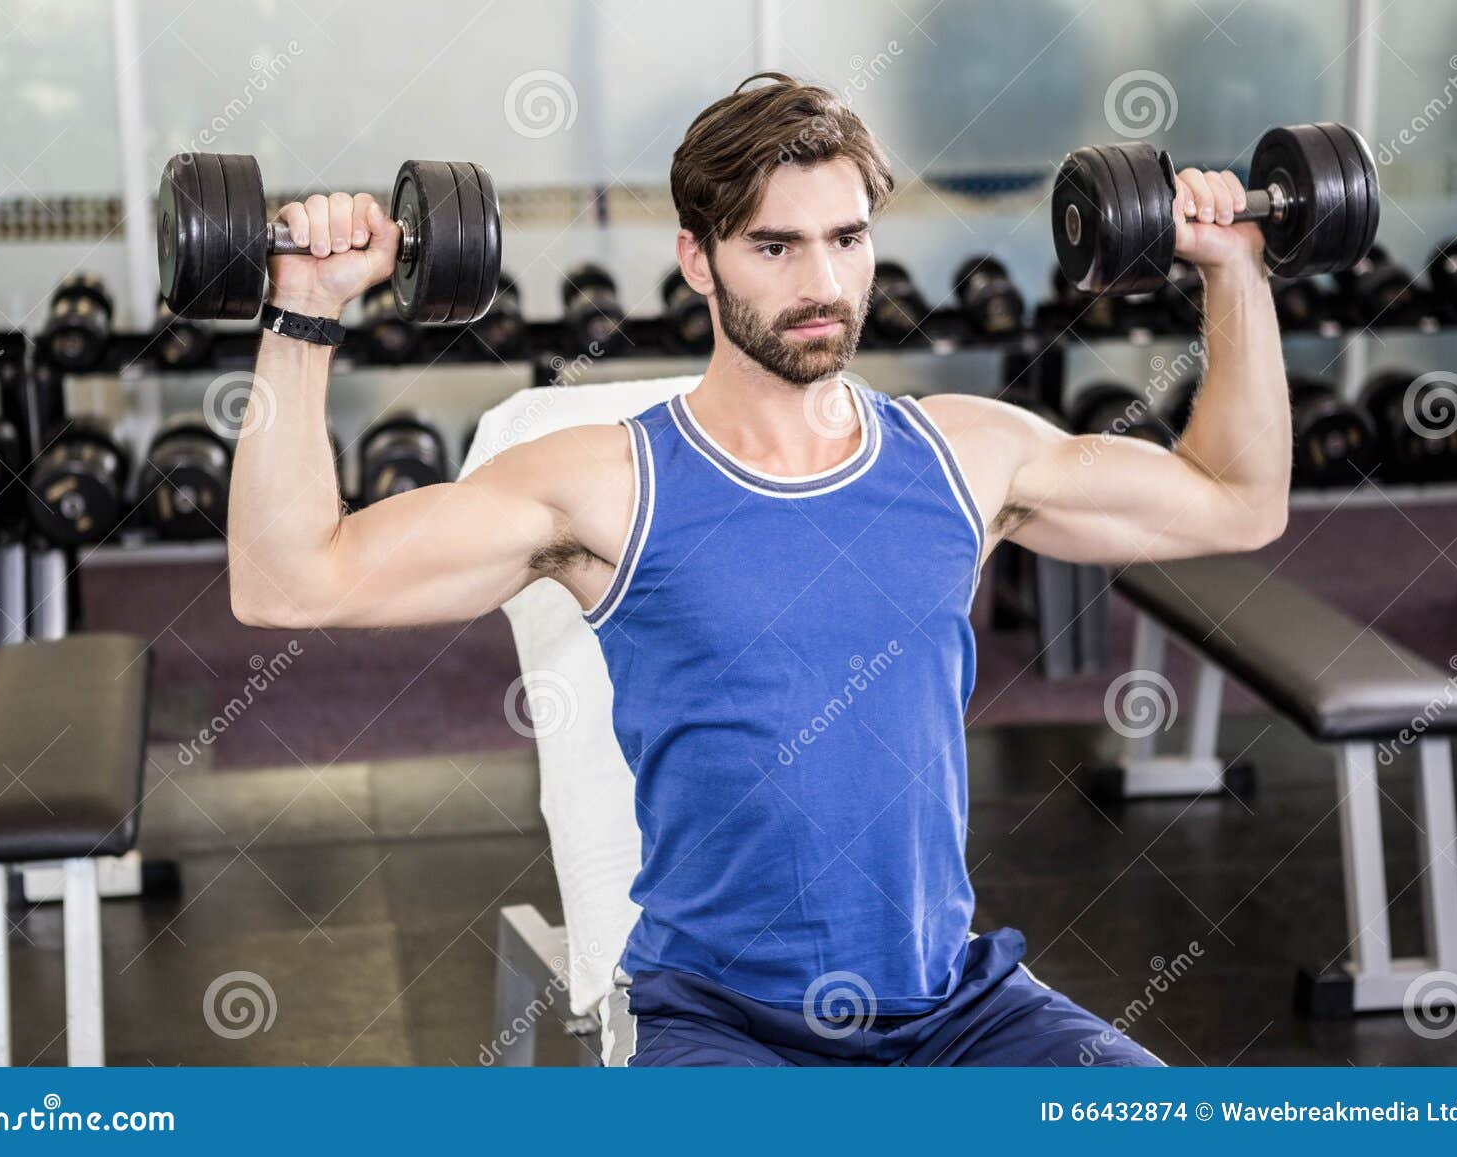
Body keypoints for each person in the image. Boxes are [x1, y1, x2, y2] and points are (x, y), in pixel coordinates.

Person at [228, 73, 1289, 1066]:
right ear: (698, 258)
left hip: (955, 1010)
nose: (822, 283)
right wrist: (305, 310)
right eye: (774, 247)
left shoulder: (966, 457)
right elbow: (291, 580)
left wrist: (1233, 266)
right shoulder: (606, 485)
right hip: (728, 1028)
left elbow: (1237, 501)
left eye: (846, 239)